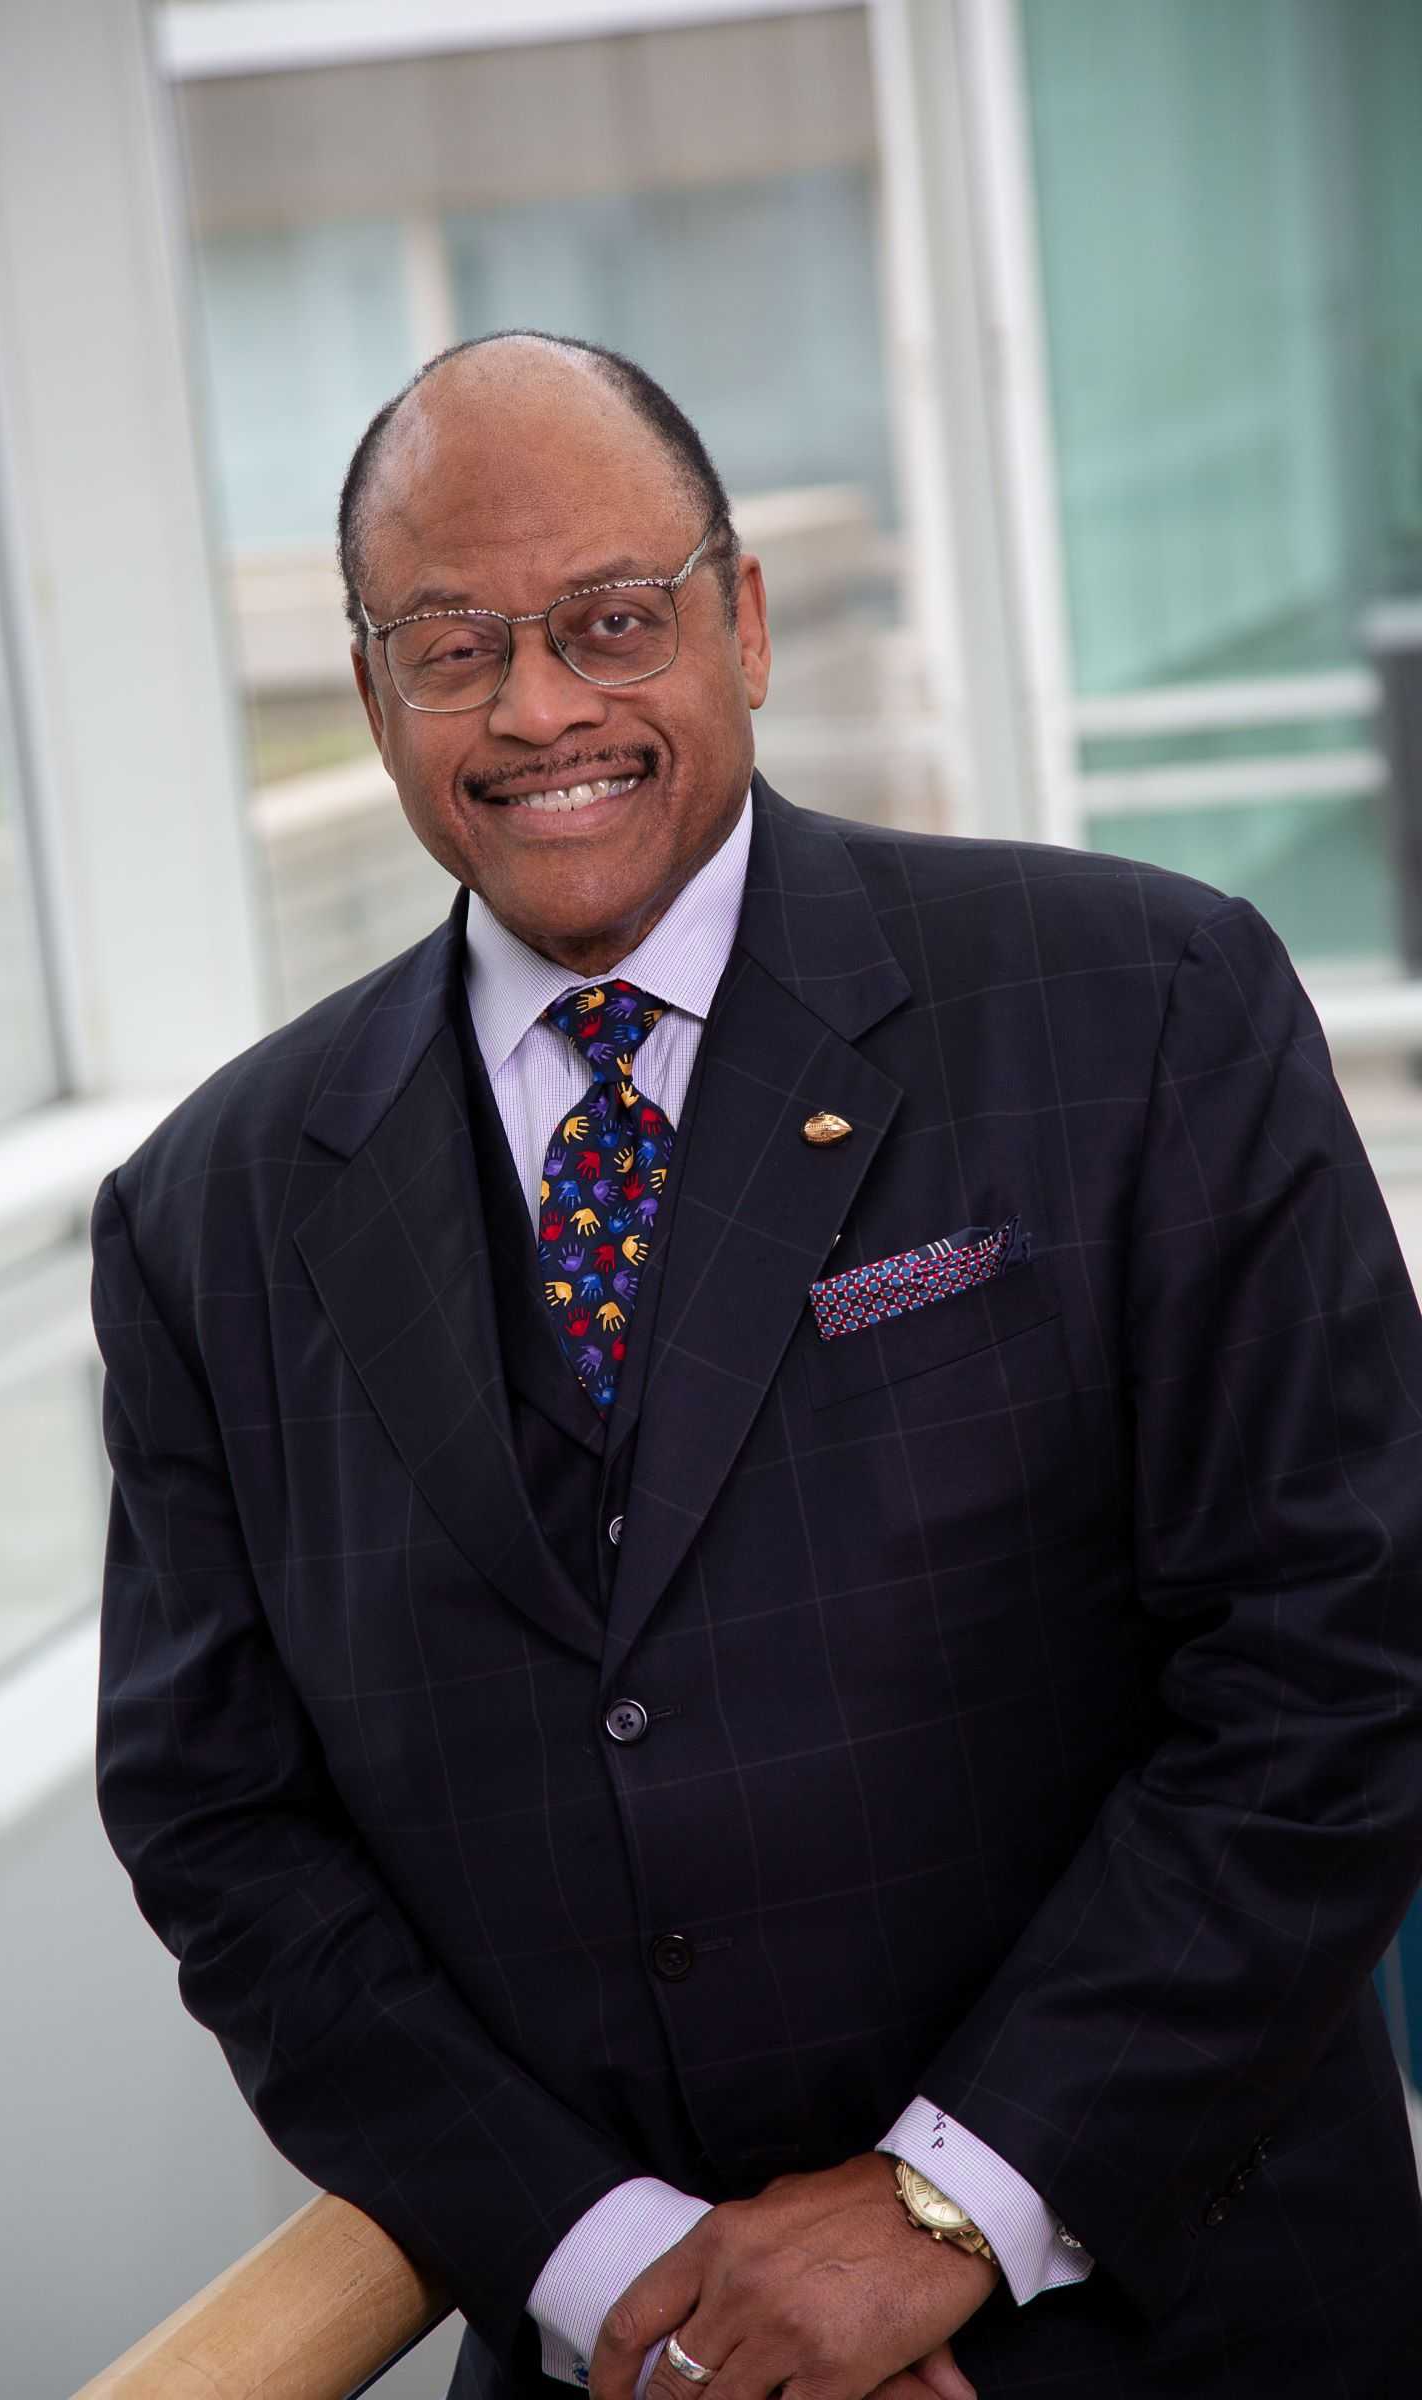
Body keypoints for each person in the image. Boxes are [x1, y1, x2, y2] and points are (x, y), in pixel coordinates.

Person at [91, 331, 1422, 2399]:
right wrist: (626, 2277)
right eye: (453, 648)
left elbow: (1343, 1655)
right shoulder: (207, 1218)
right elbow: (221, 1832)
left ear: (744, 623)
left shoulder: (1141, 1008)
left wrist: (936, 2208)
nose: (540, 709)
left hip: (1177, 2312)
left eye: (609, 622)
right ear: (370, 696)